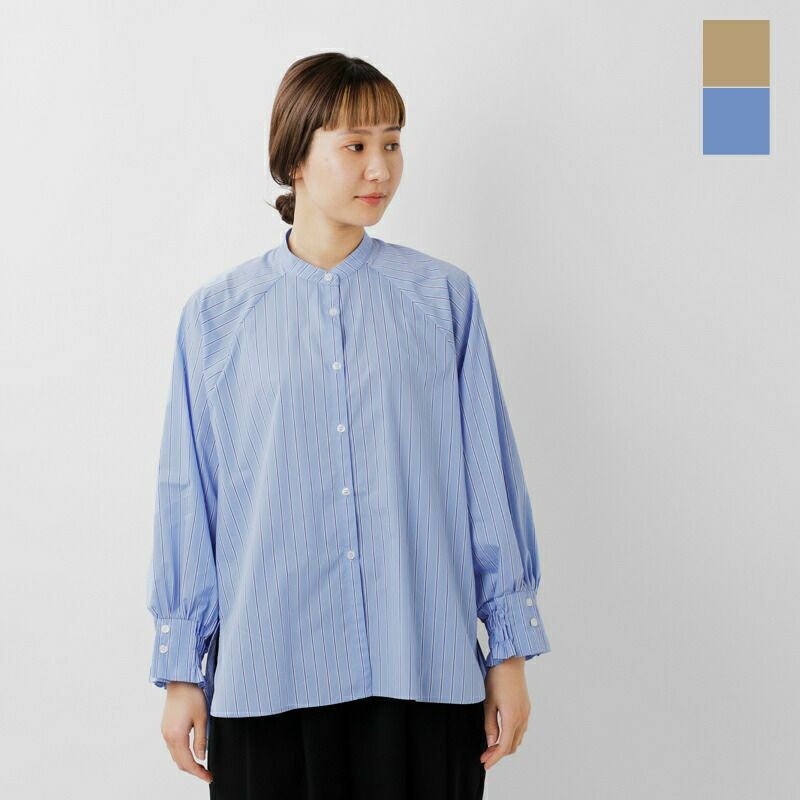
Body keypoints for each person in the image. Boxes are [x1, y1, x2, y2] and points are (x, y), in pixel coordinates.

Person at [146, 51, 551, 799]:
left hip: (422, 670)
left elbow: (488, 483)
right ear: (296, 155)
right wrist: (181, 671)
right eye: (356, 145)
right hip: (267, 679)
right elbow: (188, 497)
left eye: (392, 143)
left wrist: (509, 653)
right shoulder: (216, 318)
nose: (381, 168)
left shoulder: (442, 299)